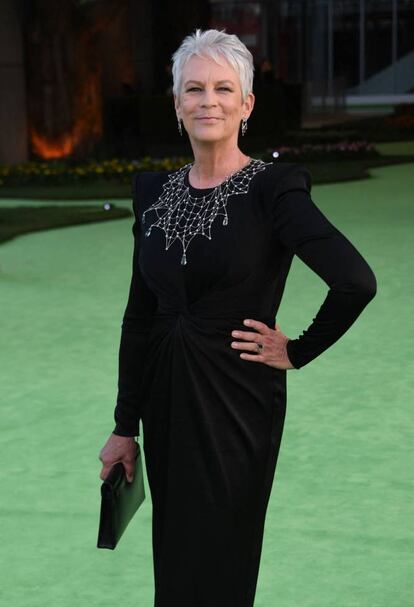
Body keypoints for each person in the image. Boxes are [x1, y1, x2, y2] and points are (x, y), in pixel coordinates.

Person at [98, 28, 377, 607]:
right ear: (177, 103)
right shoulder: (153, 192)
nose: (209, 101)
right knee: (174, 557)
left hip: (236, 405)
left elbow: (355, 282)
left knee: (221, 557)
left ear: (246, 104)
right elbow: (138, 316)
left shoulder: (275, 189)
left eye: (224, 88)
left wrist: (296, 350)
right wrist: (125, 426)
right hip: (165, 403)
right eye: (194, 89)